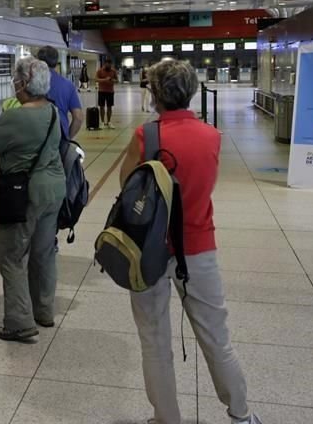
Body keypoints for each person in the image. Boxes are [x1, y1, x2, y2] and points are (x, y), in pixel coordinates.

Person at [117, 59, 260, 424]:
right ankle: (241, 414)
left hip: (149, 251)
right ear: (193, 91)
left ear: (154, 94)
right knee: (216, 337)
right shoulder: (211, 136)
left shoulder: (145, 137)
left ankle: (167, 418)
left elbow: (126, 188)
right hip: (198, 247)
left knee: (154, 340)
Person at [0, 57, 65, 341]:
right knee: (43, 253)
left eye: (16, 81)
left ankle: (18, 321)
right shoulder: (52, 111)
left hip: (23, 192)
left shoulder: (15, 115)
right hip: (54, 188)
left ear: (25, 83)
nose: (14, 86)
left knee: (11, 256)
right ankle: (44, 311)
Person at [36, 46, 84, 139]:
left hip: (36, 137)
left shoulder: (31, 83)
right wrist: (67, 137)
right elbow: (78, 117)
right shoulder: (68, 85)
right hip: (60, 137)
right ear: (56, 61)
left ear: (38, 62)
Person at [96, 58, 119, 129]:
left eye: (109, 64)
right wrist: (104, 80)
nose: (108, 65)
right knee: (102, 107)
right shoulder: (100, 71)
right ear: (105, 64)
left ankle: (109, 122)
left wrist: (112, 80)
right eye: (107, 64)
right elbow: (96, 79)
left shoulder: (113, 71)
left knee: (109, 107)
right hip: (102, 91)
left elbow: (117, 80)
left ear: (111, 65)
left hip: (110, 91)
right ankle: (102, 122)